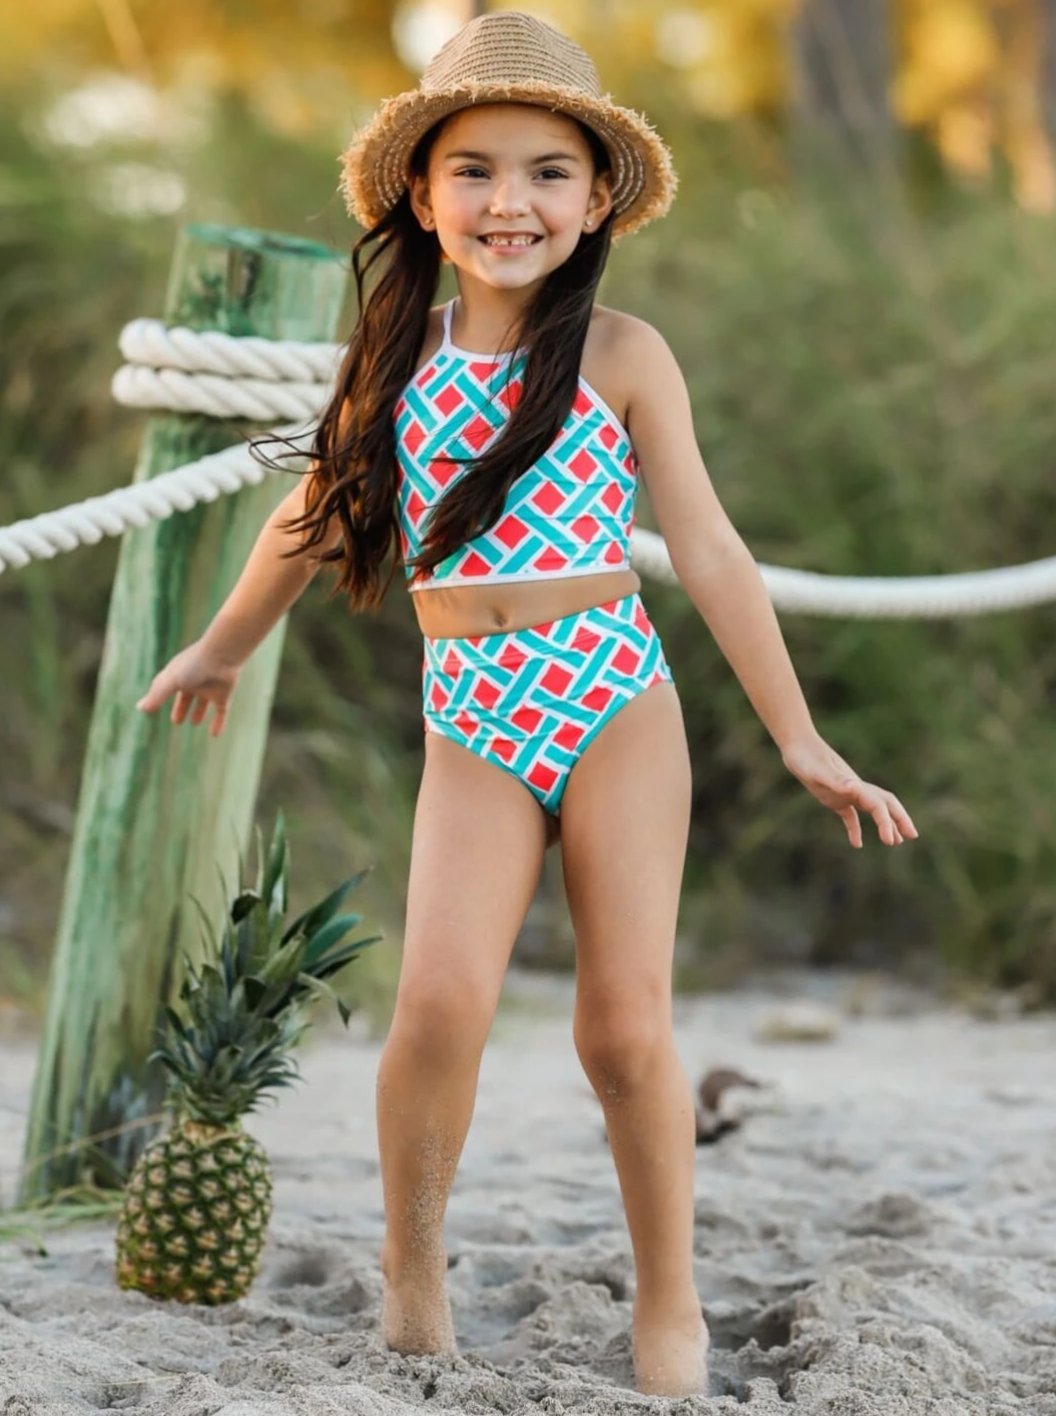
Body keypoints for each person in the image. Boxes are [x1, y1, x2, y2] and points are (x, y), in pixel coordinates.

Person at [135, 10, 918, 1397]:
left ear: (598, 198)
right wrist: (219, 649)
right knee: (438, 1007)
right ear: (422, 196)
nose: (513, 201)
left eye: (550, 171)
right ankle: (414, 1269)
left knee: (621, 1029)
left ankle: (669, 1302)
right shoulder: (392, 363)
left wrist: (800, 736)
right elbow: (309, 524)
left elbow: (713, 550)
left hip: (613, 701)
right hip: (474, 717)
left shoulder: (623, 354)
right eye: (476, 170)